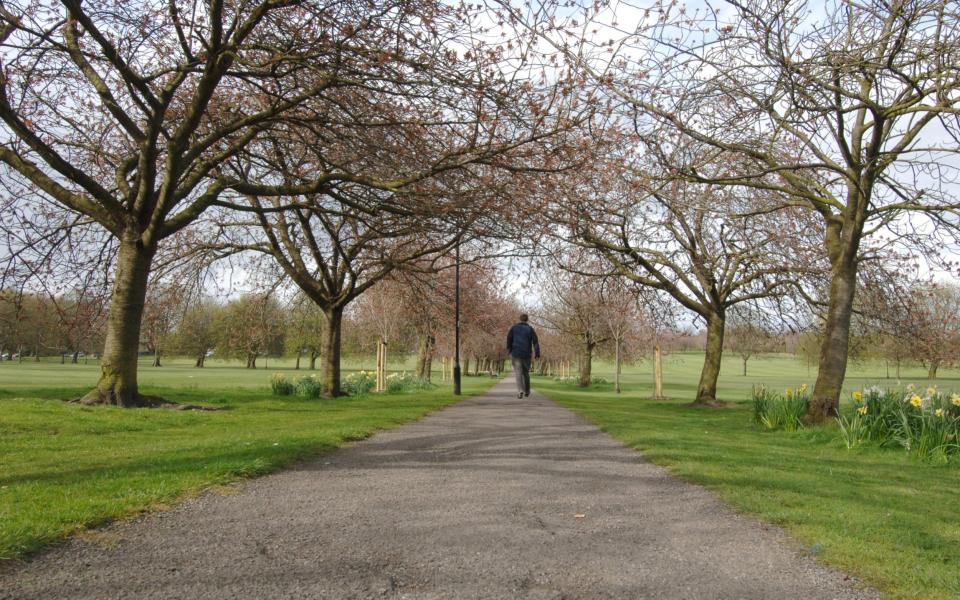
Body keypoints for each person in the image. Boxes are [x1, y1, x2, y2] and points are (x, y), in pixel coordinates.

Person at [506, 313, 540, 399]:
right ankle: (527, 391)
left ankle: (520, 390)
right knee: (526, 373)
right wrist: (537, 353)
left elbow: (509, 339)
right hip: (526, 354)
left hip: (516, 353)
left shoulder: (514, 328)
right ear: (527, 320)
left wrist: (509, 349)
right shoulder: (530, 329)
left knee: (518, 373)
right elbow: (535, 342)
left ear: (520, 319)